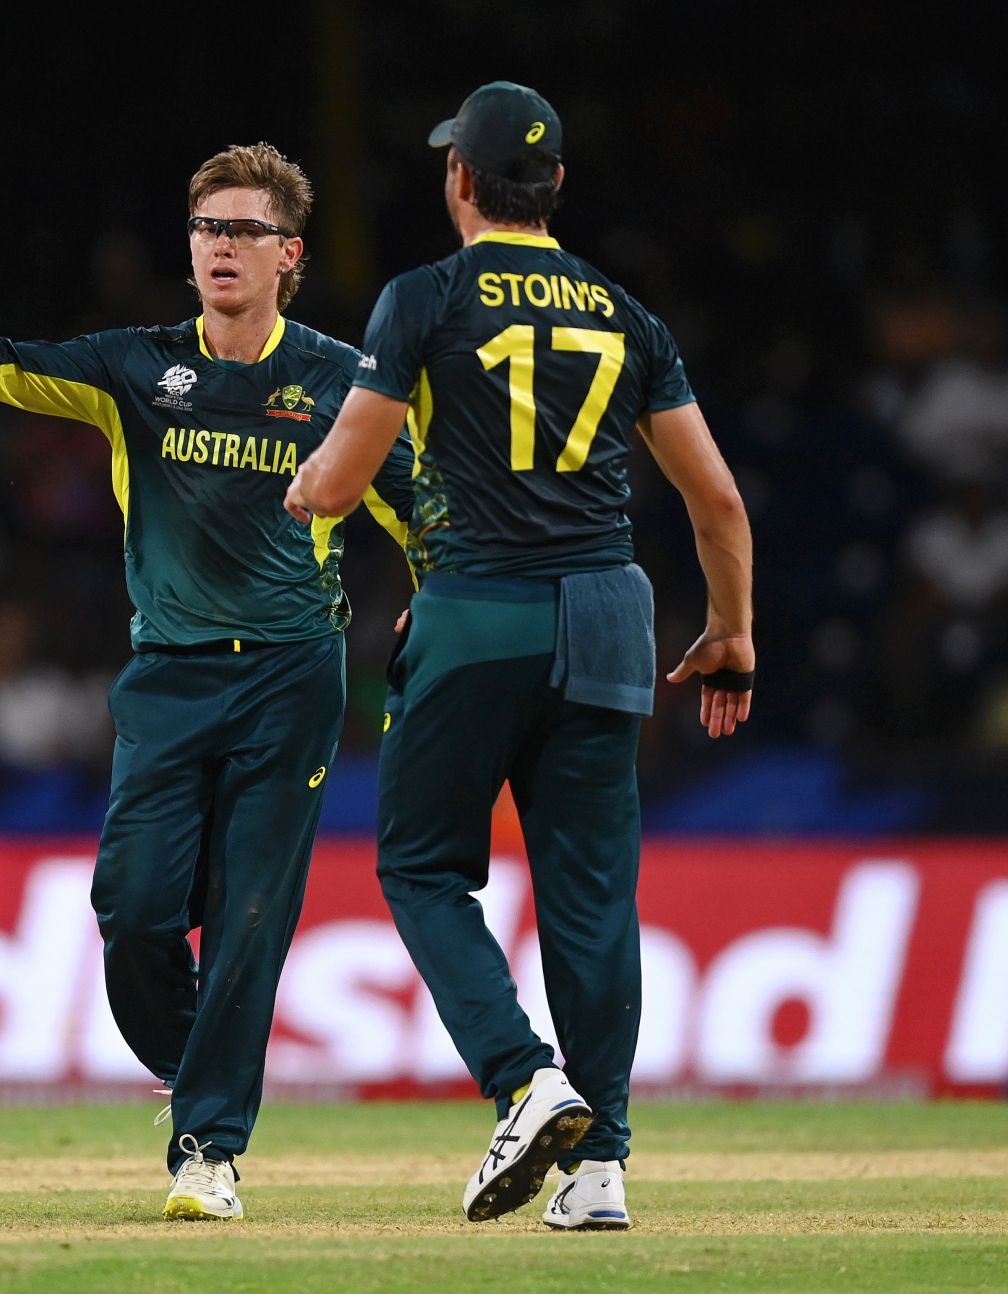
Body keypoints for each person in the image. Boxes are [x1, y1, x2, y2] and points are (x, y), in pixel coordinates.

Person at [0, 146, 415, 1220]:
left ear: (290, 255)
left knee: (248, 919)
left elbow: (422, 508)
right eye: (206, 228)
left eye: (244, 231)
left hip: (290, 679)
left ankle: (209, 1149)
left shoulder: (338, 377)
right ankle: (205, 1073)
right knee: (133, 912)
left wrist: (442, 597)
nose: (221, 245)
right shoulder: (139, 367)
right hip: (170, 679)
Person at [285, 82, 755, 1230]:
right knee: (593, 900)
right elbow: (720, 503)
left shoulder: (426, 299)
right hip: (608, 615)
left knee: (421, 868)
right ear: (557, 188)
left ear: (460, 182)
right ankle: (602, 1172)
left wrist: (301, 483)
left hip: (478, 611)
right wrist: (731, 630)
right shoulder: (626, 314)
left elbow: (340, 486)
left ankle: (520, 1077)